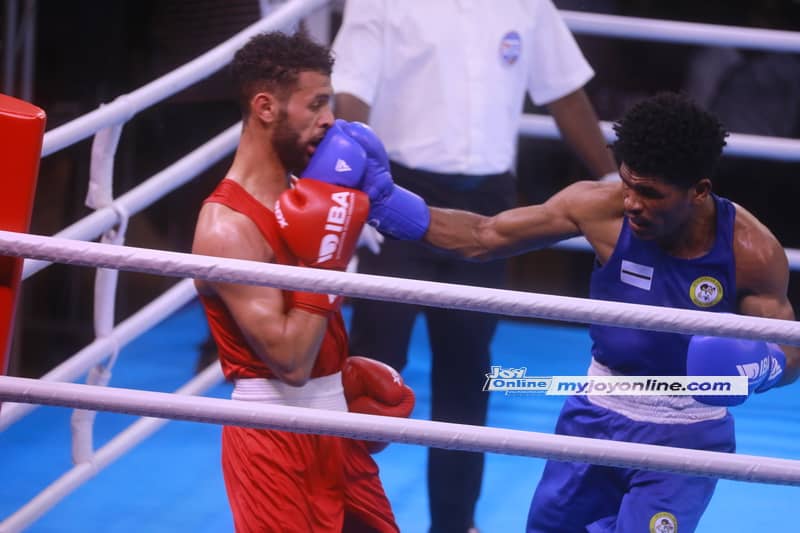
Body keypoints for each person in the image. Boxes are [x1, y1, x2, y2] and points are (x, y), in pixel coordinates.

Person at [308, 92, 799, 532]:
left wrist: (763, 366)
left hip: (687, 437)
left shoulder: (750, 251)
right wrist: (384, 200)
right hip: (598, 410)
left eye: (650, 193)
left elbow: (789, 347)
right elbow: (486, 236)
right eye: (628, 184)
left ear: (698, 190)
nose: (632, 203)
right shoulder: (600, 208)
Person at [330, 2, 618, 530]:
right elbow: (351, 93)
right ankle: (346, 520)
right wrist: (352, 187)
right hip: (396, 196)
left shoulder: (527, 5)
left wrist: (613, 183)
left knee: (468, 373)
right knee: (370, 370)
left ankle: (455, 523)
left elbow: (564, 94)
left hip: (489, 205)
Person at [191, 31, 415, 532]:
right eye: (315, 106)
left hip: (333, 426)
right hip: (273, 444)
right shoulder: (228, 228)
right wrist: (327, 265)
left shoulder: (309, 196)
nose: (330, 120)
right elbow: (290, 362)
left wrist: (341, 373)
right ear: (266, 107)